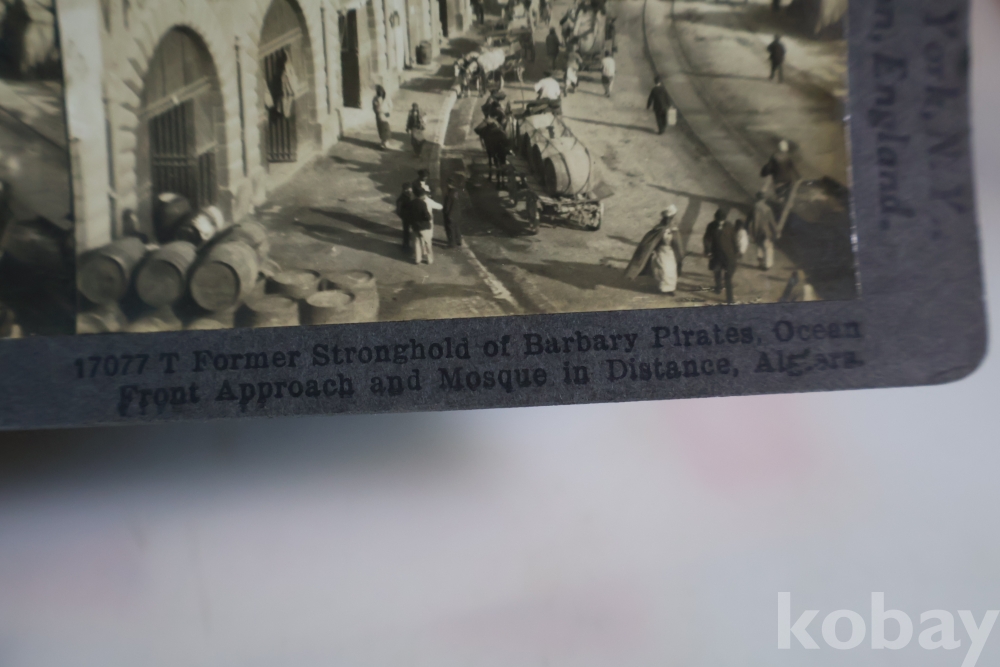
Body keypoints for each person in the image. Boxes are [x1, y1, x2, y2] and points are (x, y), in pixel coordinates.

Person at [624, 205, 684, 295]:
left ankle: (670, 289)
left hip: (670, 253)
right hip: (661, 252)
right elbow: (649, 242)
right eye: (668, 218)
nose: (669, 220)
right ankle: (664, 288)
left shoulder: (674, 229)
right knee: (664, 270)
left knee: (671, 270)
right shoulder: (659, 229)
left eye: (671, 218)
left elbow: (677, 244)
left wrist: (679, 254)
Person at [704, 208, 739, 304]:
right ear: (715, 218)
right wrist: (708, 251)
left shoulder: (729, 226)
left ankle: (730, 299)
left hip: (728, 256)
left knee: (728, 278)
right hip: (716, 255)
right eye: (718, 220)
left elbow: (734, 240)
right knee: (717, 273)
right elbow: (707, 239)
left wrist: (736, 252)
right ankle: (718, 287)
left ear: (724, 219)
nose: (720, 222)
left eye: (722, 220)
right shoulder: (711, 226)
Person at [411, 185, 443, 264]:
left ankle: (417, 259)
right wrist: (430, 217)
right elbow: (427, 216)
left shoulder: (412, 202)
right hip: (424, 226)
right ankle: (429, 259)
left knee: (417, 242)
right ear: (422, 195)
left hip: (415, 225)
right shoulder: (424, 203)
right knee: (428, 243)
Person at [748, 191, 778, 270]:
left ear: (757, 198)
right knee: (768, 248)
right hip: (766, 231)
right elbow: (772, 222)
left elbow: (750, 220)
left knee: (759, 247)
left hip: (757, 231)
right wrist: (777, 231)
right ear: (764, 199)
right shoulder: (768, 208)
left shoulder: (754, 207)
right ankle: (767, 265)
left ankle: (760, 263)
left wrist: (751, 232)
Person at [443, 175, 465, 247]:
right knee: (457, 227)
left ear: (449, 184)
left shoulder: (449, 194)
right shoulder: (459, 191)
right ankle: (458, 241)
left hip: (450, 214)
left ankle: (452, 243)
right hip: (458, 213)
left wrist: (446, 213)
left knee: (450, 229)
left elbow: (447, 206)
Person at [372, 85, 392, 150]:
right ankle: (383, 141)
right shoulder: (375, 98)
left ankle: (386, 142)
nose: (380, 93)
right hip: (379, 115)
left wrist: (388, 113)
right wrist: (376, 112)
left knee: (386, 128)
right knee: (381, 128)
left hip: (386, 114)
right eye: (379, 91)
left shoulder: (387, 98)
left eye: (381, 91)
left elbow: (391, 106)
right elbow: (374, 107)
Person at [396, 183, 415, 250]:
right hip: (406, 217)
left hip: (411, 216)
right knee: (406, 232)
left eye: (411, 188)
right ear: (405, 190)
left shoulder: (411, 196)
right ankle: (406, 245)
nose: (410, 190)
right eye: (409, 189)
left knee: (409, 231)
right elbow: (398, 211)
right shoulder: (401, 199)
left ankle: (409, 245)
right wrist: (403, 216)